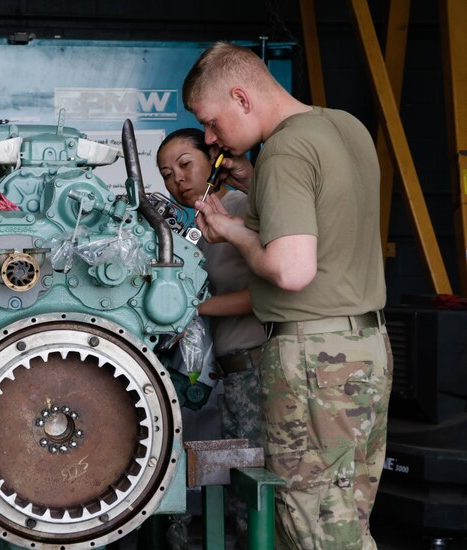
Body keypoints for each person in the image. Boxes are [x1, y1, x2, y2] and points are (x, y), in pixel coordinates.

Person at [183, 41, 392, 550]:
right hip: (365, 346)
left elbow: (290, 268)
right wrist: (256, 192)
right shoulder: (345, 127)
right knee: (345, 517)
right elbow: (328, 222)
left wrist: (231, 232)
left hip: (313, 360)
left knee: (311, 526)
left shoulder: (284, 150)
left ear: (242, 97)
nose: (211, 138)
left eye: (211, 122)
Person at [157, 128, 266, 545]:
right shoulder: (201, 227)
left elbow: (264, 296)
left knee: (252, 500)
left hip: (255, 370)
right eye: (167, 174)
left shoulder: (238, 210)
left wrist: (188, 308)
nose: (177, 180)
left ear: (215, 162)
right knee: (234, 498)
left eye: (186, 164)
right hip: (230, 375)